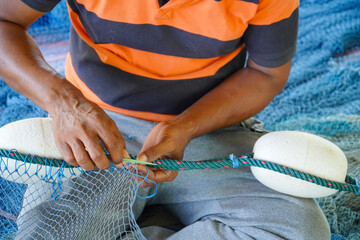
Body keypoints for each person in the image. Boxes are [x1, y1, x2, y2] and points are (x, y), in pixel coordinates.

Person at [0, 0, 331, 239]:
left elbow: (265, 75)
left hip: (209, 132)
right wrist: (65, 104)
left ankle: (136, 221)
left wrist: (185, 127)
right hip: (96, 128)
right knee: (44, 234)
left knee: (300, 230)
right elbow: (5, 21)